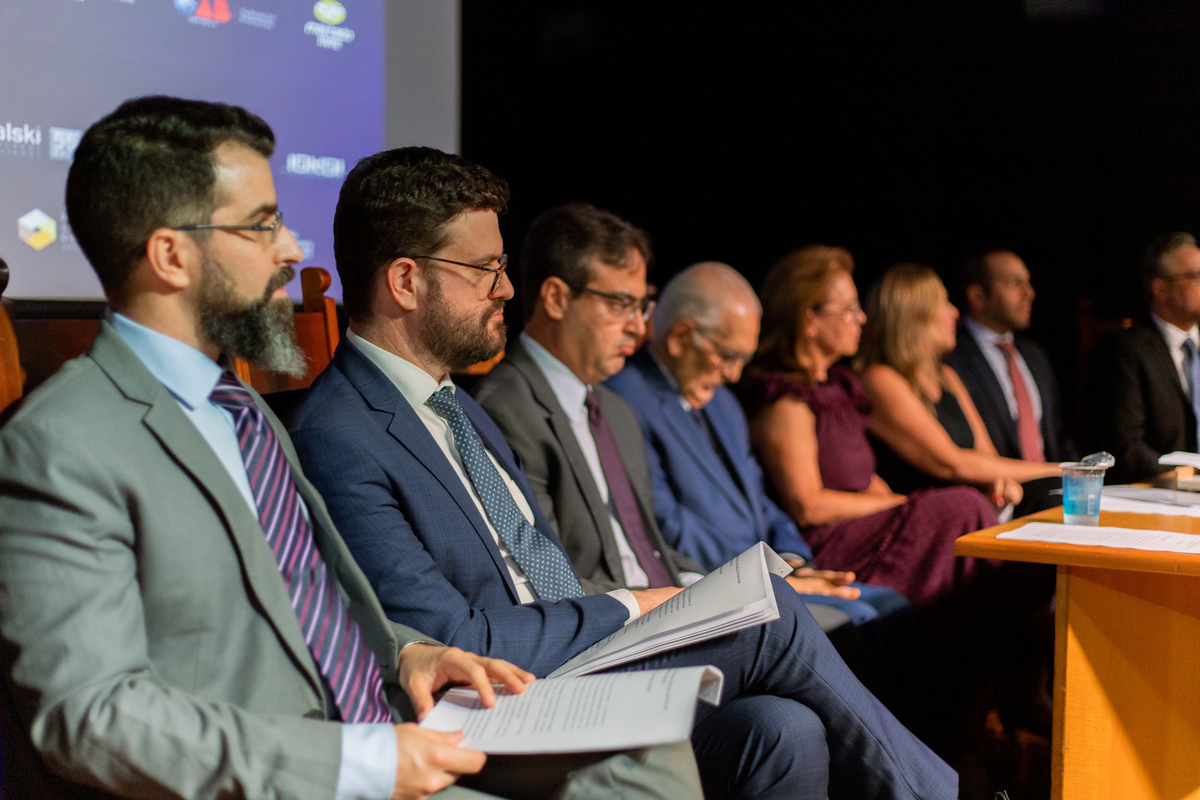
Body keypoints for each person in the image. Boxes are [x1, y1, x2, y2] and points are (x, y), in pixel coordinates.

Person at [0, 97, 702, 800]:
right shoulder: (59, 442)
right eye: (261, 225)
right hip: (290, 770)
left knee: (653, 753)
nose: (291, 250)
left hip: (380, 723)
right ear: (171, 255)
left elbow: (306, 605)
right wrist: (356, 761)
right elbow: (87, 717)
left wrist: (409, 653)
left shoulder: (242, 413)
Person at [288, 149, 957, 800]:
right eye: (486, 269)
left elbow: (542, 563)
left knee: (782, 728)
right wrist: (635, 606)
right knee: (769, 613)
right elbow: (454, 641)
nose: (507, 288)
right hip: (495, 704)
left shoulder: (454, 404)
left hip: (564, 663)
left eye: (503, 266)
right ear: (405, 281)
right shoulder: (338, 435)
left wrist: (661, 605)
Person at [602, 260, 908, 625]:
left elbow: (760, 501)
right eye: (728, 356)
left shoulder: (721, 402)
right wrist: (767, 575)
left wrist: (792, 561)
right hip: (711, 585)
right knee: (857, 619)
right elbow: (664, 523)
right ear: (680, 337)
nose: (734, 375)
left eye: (743, 359)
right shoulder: (624, 398)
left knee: (891, 607)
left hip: (768, 574)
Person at [739, 246, 998, 606]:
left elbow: (865, 478)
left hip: (865, 527)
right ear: (810, 320)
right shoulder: (786, 400)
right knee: (961, 508)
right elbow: (809, 506)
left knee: (958, 508)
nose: (861, 318)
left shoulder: (838, 388)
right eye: (848, 309)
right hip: (831, 545)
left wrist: (905, 505)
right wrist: (902, 505)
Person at [855, 263, 1062, 506]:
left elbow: (988, 459)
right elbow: (951, 464)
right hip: (921, 515)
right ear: (914, 317)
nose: (954, 312)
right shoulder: (879, 379)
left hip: (972, 508)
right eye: (944, 303)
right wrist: (1064, 470)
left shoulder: (947, 377)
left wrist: (1003, 485)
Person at [1087, 232, 1200, 483]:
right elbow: (1125, 445)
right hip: (1157, 489)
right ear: (1161, 289)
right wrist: (1184, 477)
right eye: (1196, 276)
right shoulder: (1126, 351)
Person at [946, 251, 1075, 466]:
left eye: (1028, 282)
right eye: (1015, 283)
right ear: (978, 296)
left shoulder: (1034, 354)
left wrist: (1080, 477)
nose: (1029, 293)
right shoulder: (953, 358)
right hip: (996, 482)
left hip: (1054, 481)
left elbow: (1060, 436)